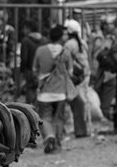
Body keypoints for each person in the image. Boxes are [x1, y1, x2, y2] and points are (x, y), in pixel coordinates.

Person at [33, 25, 73, 153]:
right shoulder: (66, 52)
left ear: (49, 36)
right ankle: (57, 143)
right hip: (60, 93)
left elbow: (34, 69)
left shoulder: (40, 50)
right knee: (59, 118)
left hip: (44, 92)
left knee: (45, 117)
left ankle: (49, 136)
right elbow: (70, 73)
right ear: (61, 37)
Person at [64, 19, 90, 138]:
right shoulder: (83, 43)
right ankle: (87, 128)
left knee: (74, 102)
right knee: (84, 102)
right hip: (85, 75)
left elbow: (66, 60)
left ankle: (74, 128)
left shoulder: (69, 44)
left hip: (74, 77)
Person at [91, 14, 117, 121]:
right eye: (109, 24)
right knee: (96, 90)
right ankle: (97, 114)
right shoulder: (95, 36)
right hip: (96, 68)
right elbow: (90, 52)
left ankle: (105, 112)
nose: (111, 26)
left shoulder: (112, 38)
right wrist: (90, 68)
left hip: (107, 69)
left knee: (109, 90)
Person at [20, 19, 46, 104]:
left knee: (30, 92)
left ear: (28, 28)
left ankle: (31, 112)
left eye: (24, 28)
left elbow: (24, 58)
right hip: (42, 71)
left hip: (30, 72)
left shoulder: (26, 41)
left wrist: (22, 70)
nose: (23, 31)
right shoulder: (44, 40)